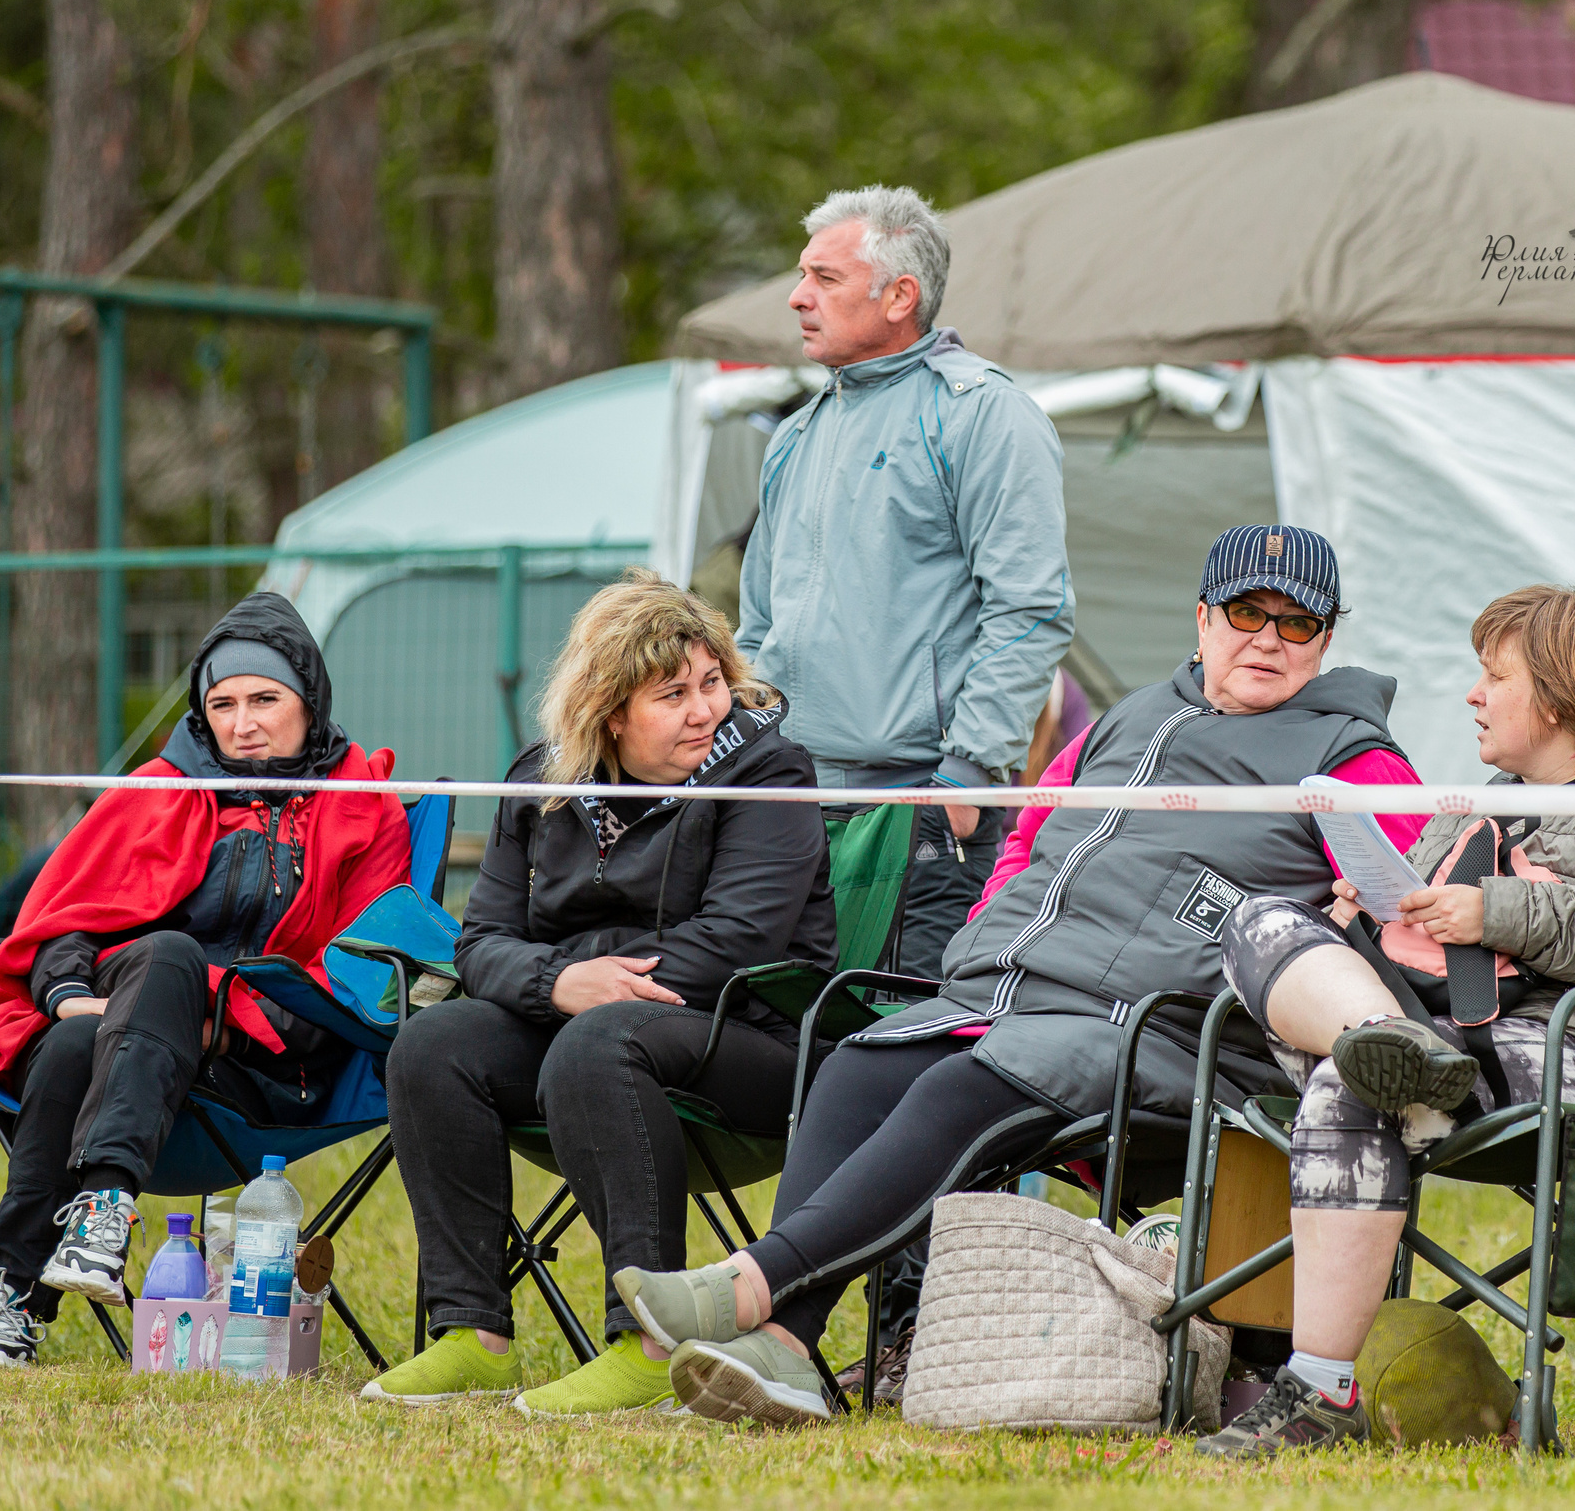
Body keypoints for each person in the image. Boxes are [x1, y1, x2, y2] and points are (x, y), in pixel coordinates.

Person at [609, 524, 1424, 1427]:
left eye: (1297, 623)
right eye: (1245, 612)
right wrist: (988, 935)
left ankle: (750, 1287)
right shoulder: (1129, 717)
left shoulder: (1359, 757)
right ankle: (794, 1350)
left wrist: (1362, 913)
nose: (1267, 639)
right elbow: (1027, 839)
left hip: (1160, 1029)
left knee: (960, 1092)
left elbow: (1409, 900)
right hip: (1005, 991)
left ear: (1326, 640)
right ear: (1201, 617)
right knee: (857, 1067)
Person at [1195, 585, 1575, 1458]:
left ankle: (1318, 1393)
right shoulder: (1474, 801)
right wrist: (1366, 916)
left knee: (1352, 1080)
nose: (1473, 695)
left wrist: (1493, 912)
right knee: (1260, 920)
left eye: (1494, 677)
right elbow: (1417, 921)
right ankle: (1394, 1046)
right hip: (1430, 1030)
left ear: (1560, 698)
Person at [365, 571, 836, 1416]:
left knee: (598, 1038)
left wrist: (581, 980)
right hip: (588, 1025)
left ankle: (648, 1344)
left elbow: (734, 943)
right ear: (611, 712)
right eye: (673, 695)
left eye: (712, 683)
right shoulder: (544, 782)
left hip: (753, 1037)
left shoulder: (769, 772)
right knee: (433, 1045)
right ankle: (471, 1335)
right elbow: (482, 944)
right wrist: (559, 982)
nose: (705, 710)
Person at [740, 184, 1073, 1357]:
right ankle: (780, 1323)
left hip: (936, 805)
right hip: (801, 800)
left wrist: (972, 764)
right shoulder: (795, 431)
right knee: (822, 1055)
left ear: (900, 294)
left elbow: (1030, 611)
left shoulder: (985, 417)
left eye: (822, 277)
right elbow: (762, 631)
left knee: (913, 1059)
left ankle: (917, 1337)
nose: (796, 295)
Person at [0, 595, 408, 1367]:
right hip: (110, 1034)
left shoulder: (361, 809)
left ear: (310, 702)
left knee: (152, 975)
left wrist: (215, 1015)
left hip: (256, 1068)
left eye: (266, 699)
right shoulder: (156, 791)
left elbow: (363, 977)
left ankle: (35, 1274)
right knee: (94, 1019)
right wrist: (77, 998)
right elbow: (59, 923)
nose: (243, 723)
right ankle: (40, 1274)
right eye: (222, 704)